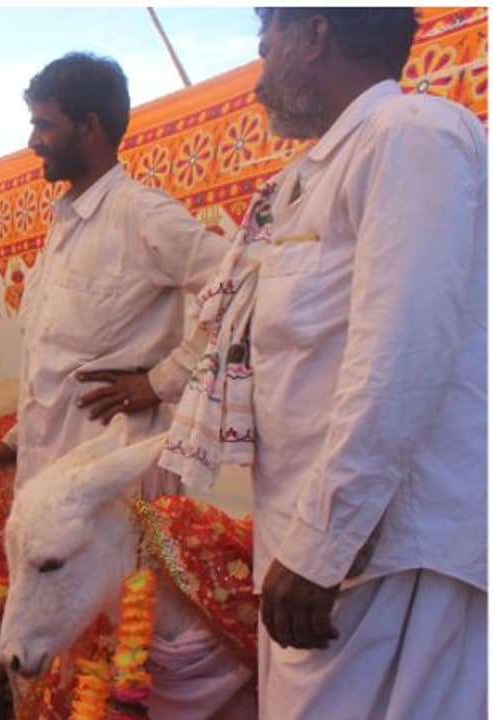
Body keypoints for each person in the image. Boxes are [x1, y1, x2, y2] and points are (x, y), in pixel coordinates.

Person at [235, 8, 483, 718]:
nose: (259, 73)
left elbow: (400, 353)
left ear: (315, 35)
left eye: (267, 41)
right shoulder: (319, 171)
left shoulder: (412, 136)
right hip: (330, 554)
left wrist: (322, 541)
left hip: (386, 554)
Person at [0, 53, 226, 492]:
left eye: (45, 125)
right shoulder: (62, 225)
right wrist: (13, 442)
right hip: (46, 476)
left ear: (89, 128)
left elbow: (244, 283)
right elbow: (56, 365)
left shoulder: (143, 214)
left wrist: (162, 382)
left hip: (116, 483)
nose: (33, 141)